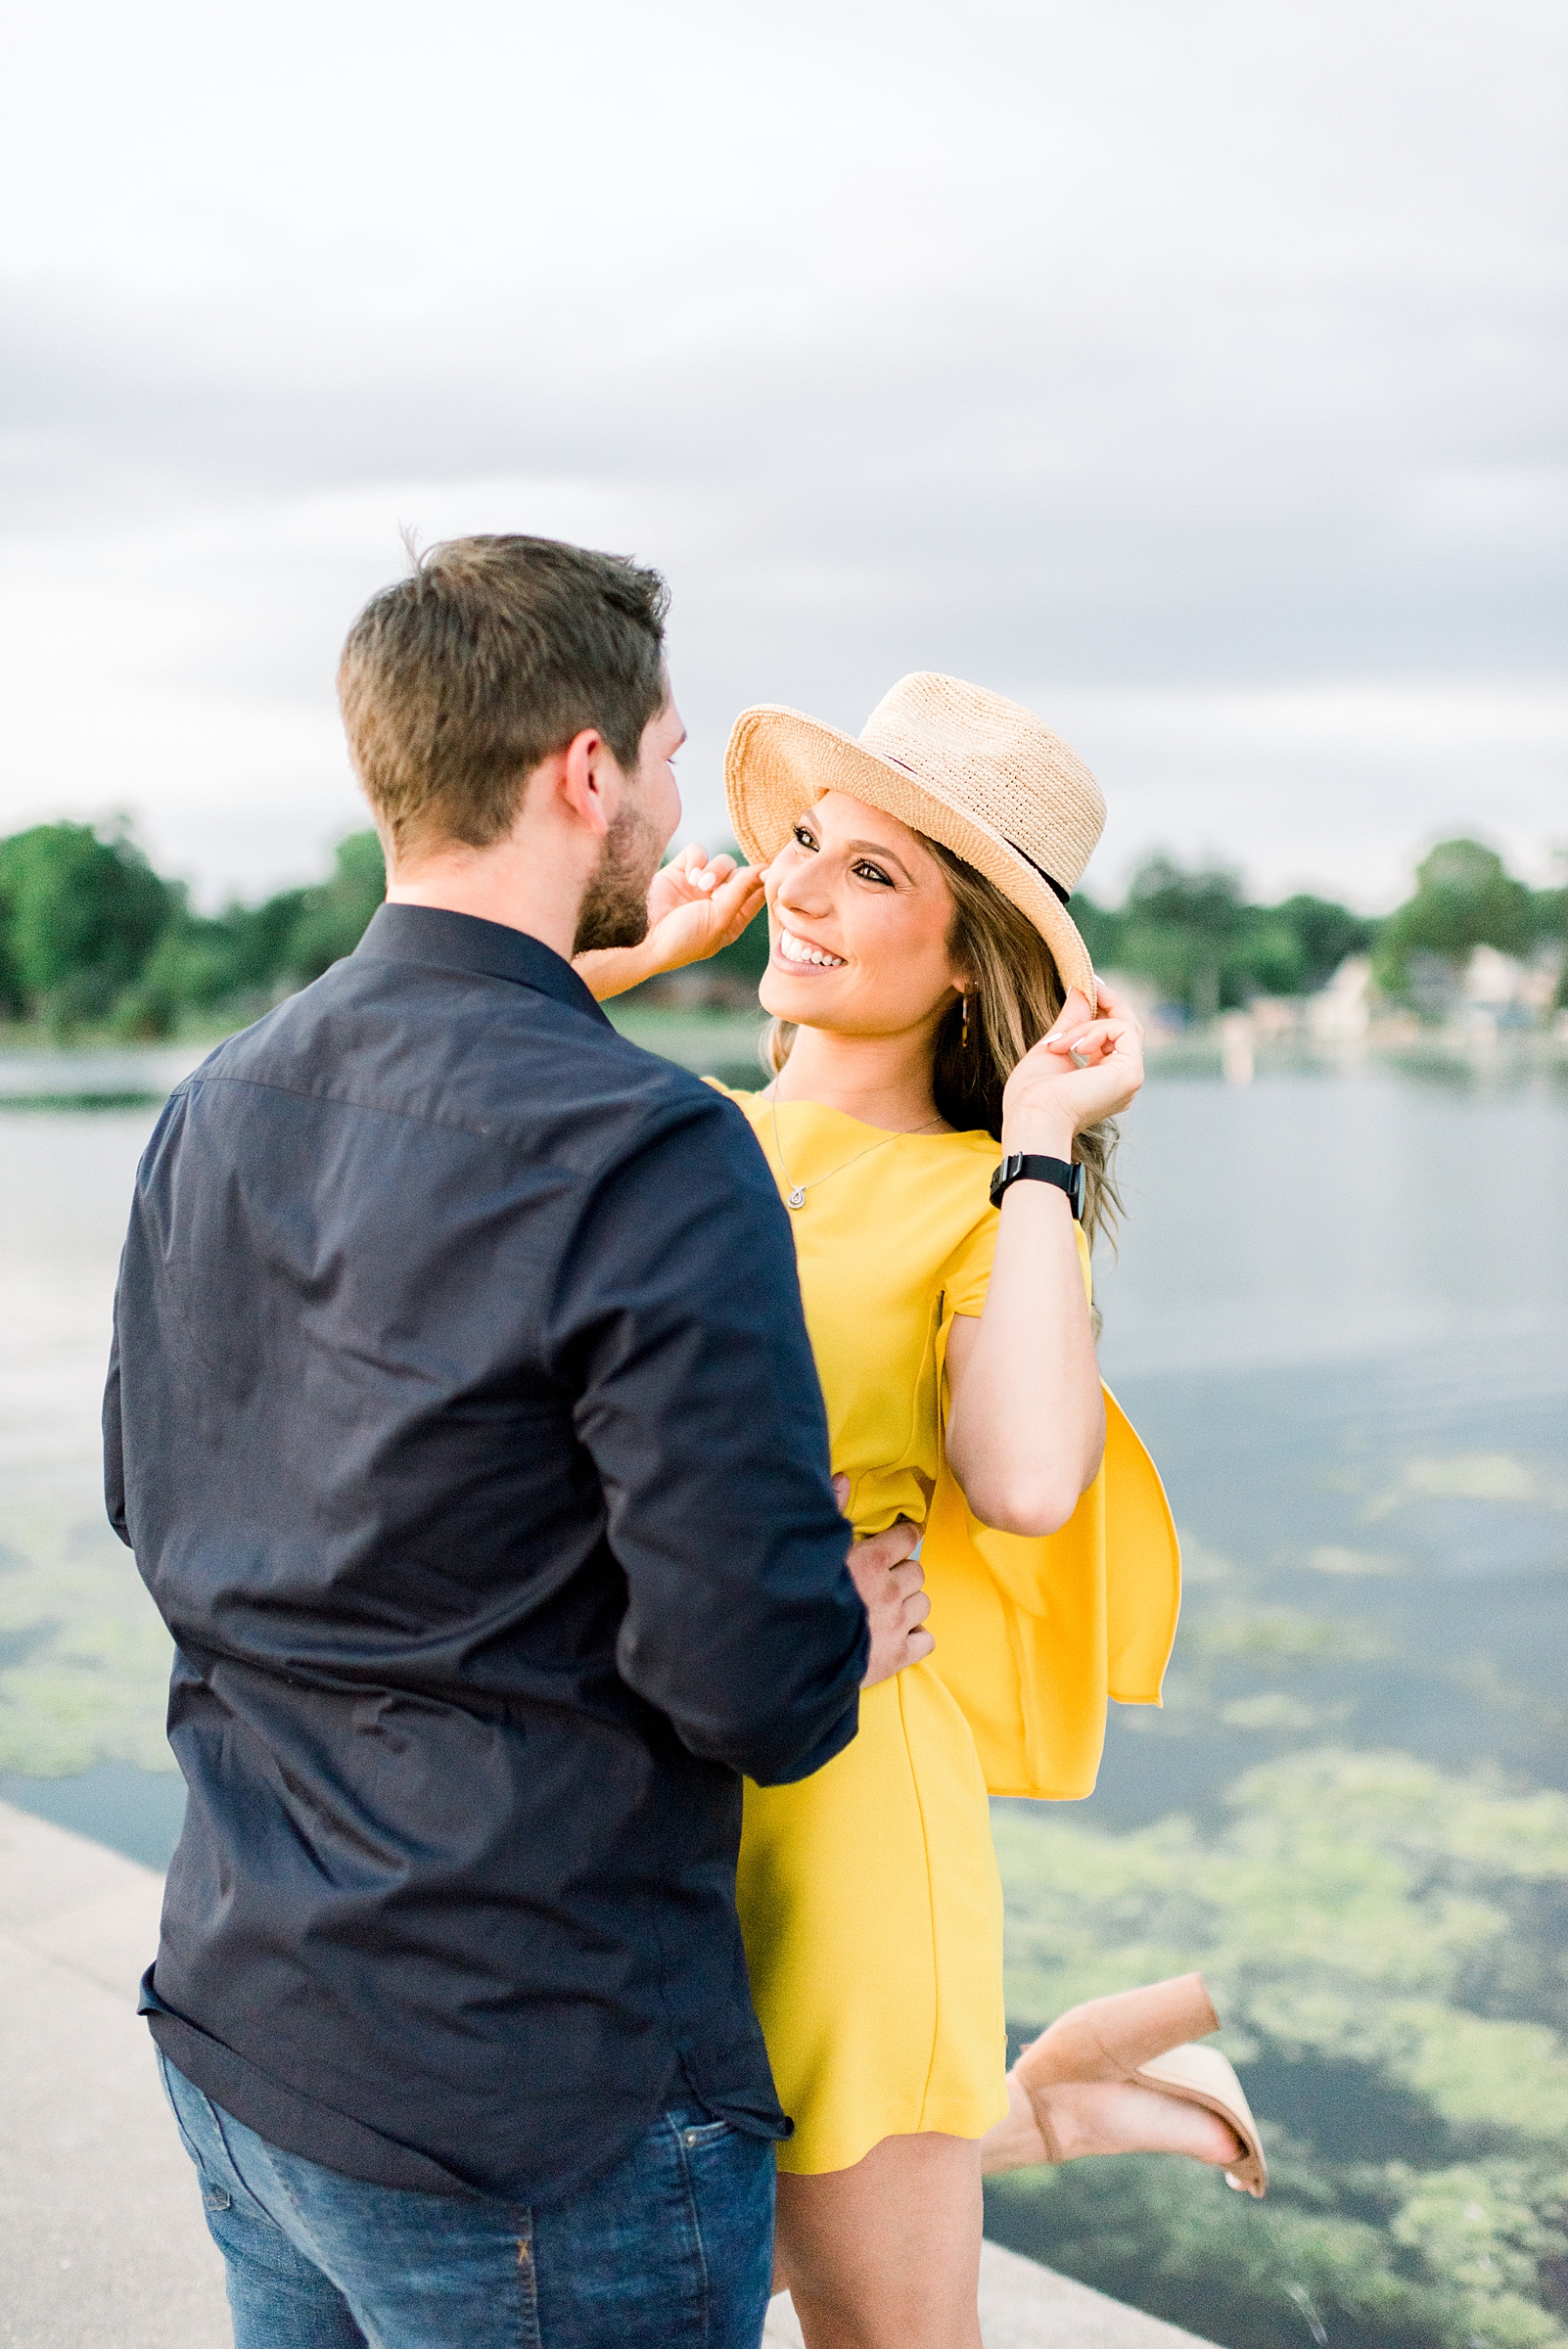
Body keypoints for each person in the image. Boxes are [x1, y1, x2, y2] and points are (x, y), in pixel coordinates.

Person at [103, 535, 936, 2349]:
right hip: (532, 2114)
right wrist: (836, 1623)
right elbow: (754, 1687)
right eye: (657, 751)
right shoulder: (651, 1150)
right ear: (582, 772)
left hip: (248, 2031)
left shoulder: (217, 1095)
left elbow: (152, 1505)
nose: (663, 788)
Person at [580, 671, 1266, 2349]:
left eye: (872, 872)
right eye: (802, 845)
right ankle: (1052, 2102)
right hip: (619, 1803)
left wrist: (1038, 1143)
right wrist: (616, 966)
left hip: (841, 1821)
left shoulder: (981, 1201)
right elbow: (388, 1093)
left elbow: (1029, 1481)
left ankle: (1020, 2107)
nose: (800, 886)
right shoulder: (674, 1130)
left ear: (970, 962)